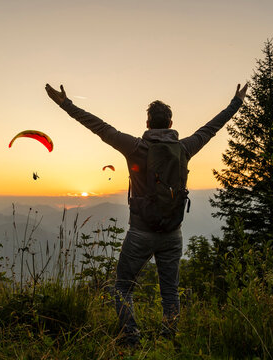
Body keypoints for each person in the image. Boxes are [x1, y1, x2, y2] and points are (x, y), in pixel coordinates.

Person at [45, 82, 247, 346]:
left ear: (148, 122)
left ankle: (130, 338)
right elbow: (210, 128)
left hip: (140, 232)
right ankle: (168, 342)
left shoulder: (135, 147)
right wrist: (236, 103)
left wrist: (65, 103)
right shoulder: (185, 148)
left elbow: (99, 127)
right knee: (170, 291)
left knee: (122, 288)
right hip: (173, 234)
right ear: (170, 122)